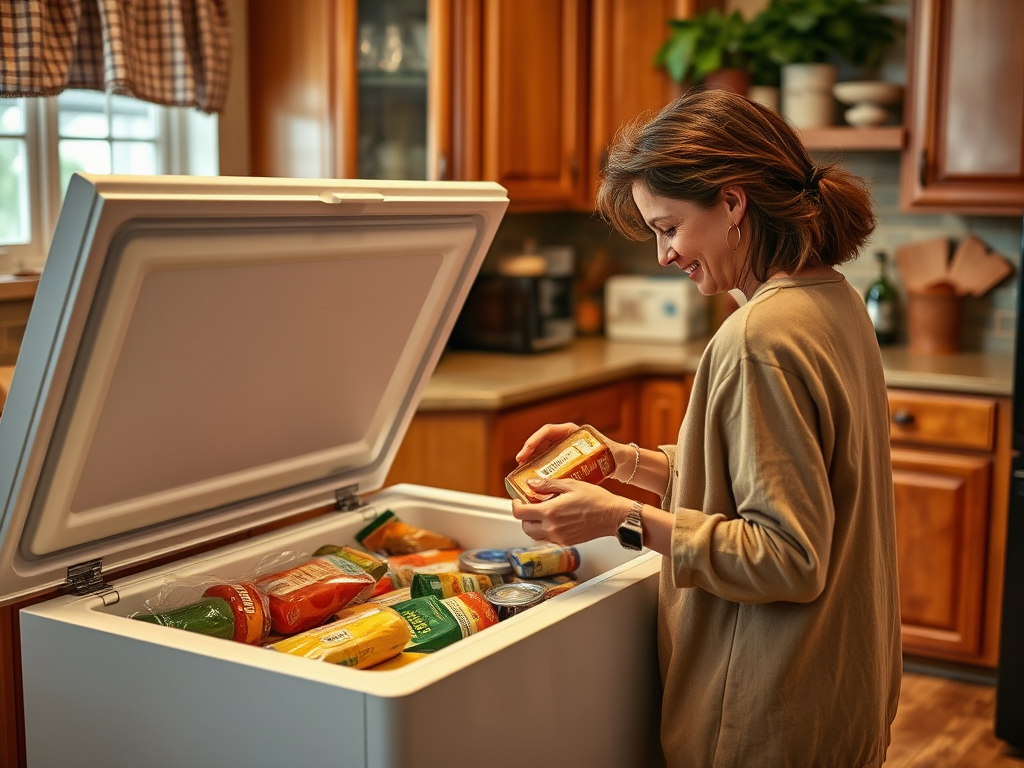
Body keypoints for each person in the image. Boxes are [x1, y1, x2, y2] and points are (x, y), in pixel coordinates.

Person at [510, 88, 901, 768]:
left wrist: (622, 518)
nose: (663, 254)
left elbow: (787, 556)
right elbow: (763, 479)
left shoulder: (759, 337)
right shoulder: (830, 299)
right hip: (838, 688)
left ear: (732, 201)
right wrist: (622, 459)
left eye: (667, 227)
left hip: (764, 710)